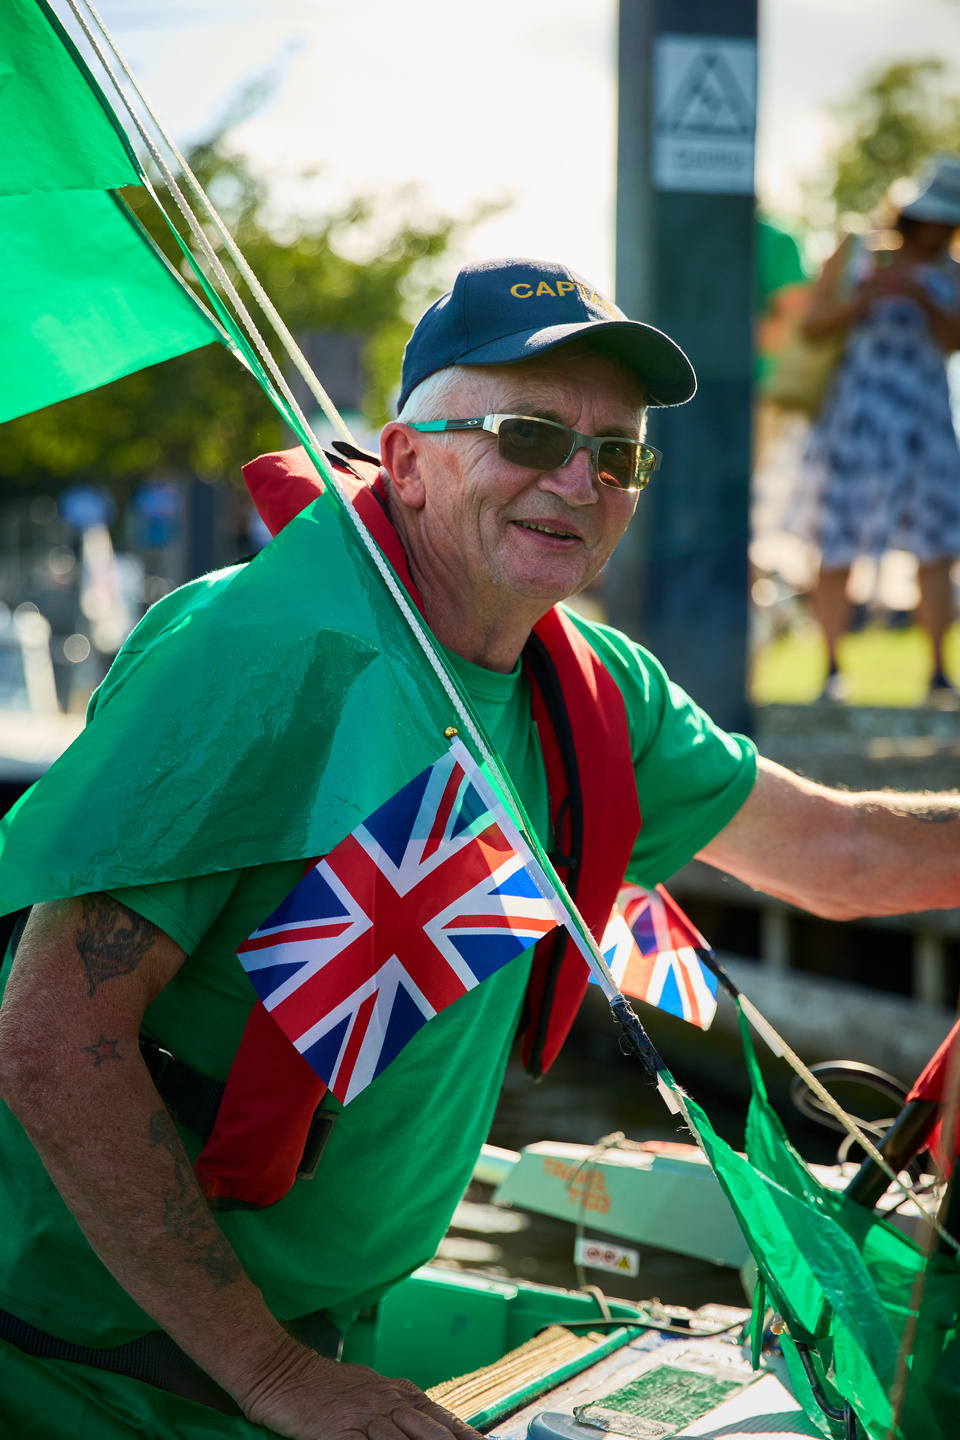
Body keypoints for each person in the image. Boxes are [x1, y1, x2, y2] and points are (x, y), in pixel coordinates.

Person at [0, 258, 958, 1440]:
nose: (577, 480)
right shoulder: (257, 653)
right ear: (405, 462)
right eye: (528, 433)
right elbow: (50, 1035)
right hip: (89, 1370)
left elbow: (844, 855)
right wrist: (274, 1378)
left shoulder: (597, 692)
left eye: (617, 455)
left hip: (315, 1343)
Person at [796, 155, 960, 702]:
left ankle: (939, 671)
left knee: (936, 543)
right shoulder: (859, 252)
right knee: (837, 538)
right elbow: (812, 325)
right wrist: (863, 300)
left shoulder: (951, 274)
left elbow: (953, 340)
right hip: (859, 416)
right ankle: (831, 668)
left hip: (925, 420)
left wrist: (921, 300)